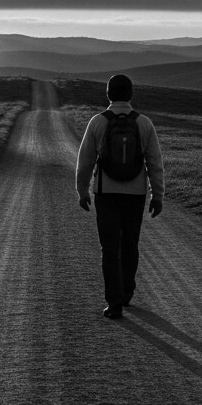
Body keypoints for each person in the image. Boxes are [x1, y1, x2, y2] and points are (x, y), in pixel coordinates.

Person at [75, 74, 165, 319]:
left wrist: (82, 190)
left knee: (109, 247)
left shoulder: (97, 122)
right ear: (131, 94)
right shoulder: (144, 123)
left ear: (108, 94)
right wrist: (158, 195)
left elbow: (85, 161)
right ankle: (127, 293)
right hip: (135, 194)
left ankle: (113, 303)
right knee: (130, 244)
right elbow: (154, 162)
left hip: (106, 192)